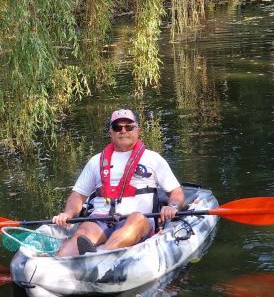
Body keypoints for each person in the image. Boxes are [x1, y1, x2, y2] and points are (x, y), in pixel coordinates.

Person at [52, 108, 184, 256]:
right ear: (111, 133)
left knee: (137, 220)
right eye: (117, 127)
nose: (123, 130)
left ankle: (100, 257)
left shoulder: (153, 159)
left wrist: (172, 206)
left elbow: (176, 191)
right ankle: (60, 261)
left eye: (129, 127)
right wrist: (67, 213)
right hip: (101, 219)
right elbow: (78, 195)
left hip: (136, 220)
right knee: (83, 231)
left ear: (138, 131)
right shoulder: (96, 161)